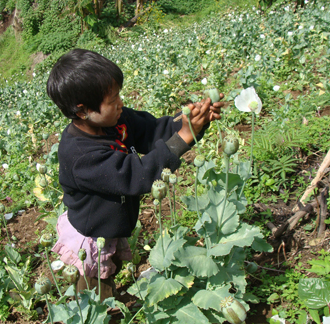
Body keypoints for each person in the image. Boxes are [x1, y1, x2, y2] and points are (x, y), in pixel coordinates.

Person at [46, 48, 223, 300]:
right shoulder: (81, 155)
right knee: (95, 298)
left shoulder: (115, 120)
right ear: (82, 110)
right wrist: (182, 137)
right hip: (90, 238)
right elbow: (136, 176)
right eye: (112, 100)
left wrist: (191, 123)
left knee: (113, 267)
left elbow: (153, 132)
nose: (120, 103)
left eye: (118, 95)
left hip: (112, 226)